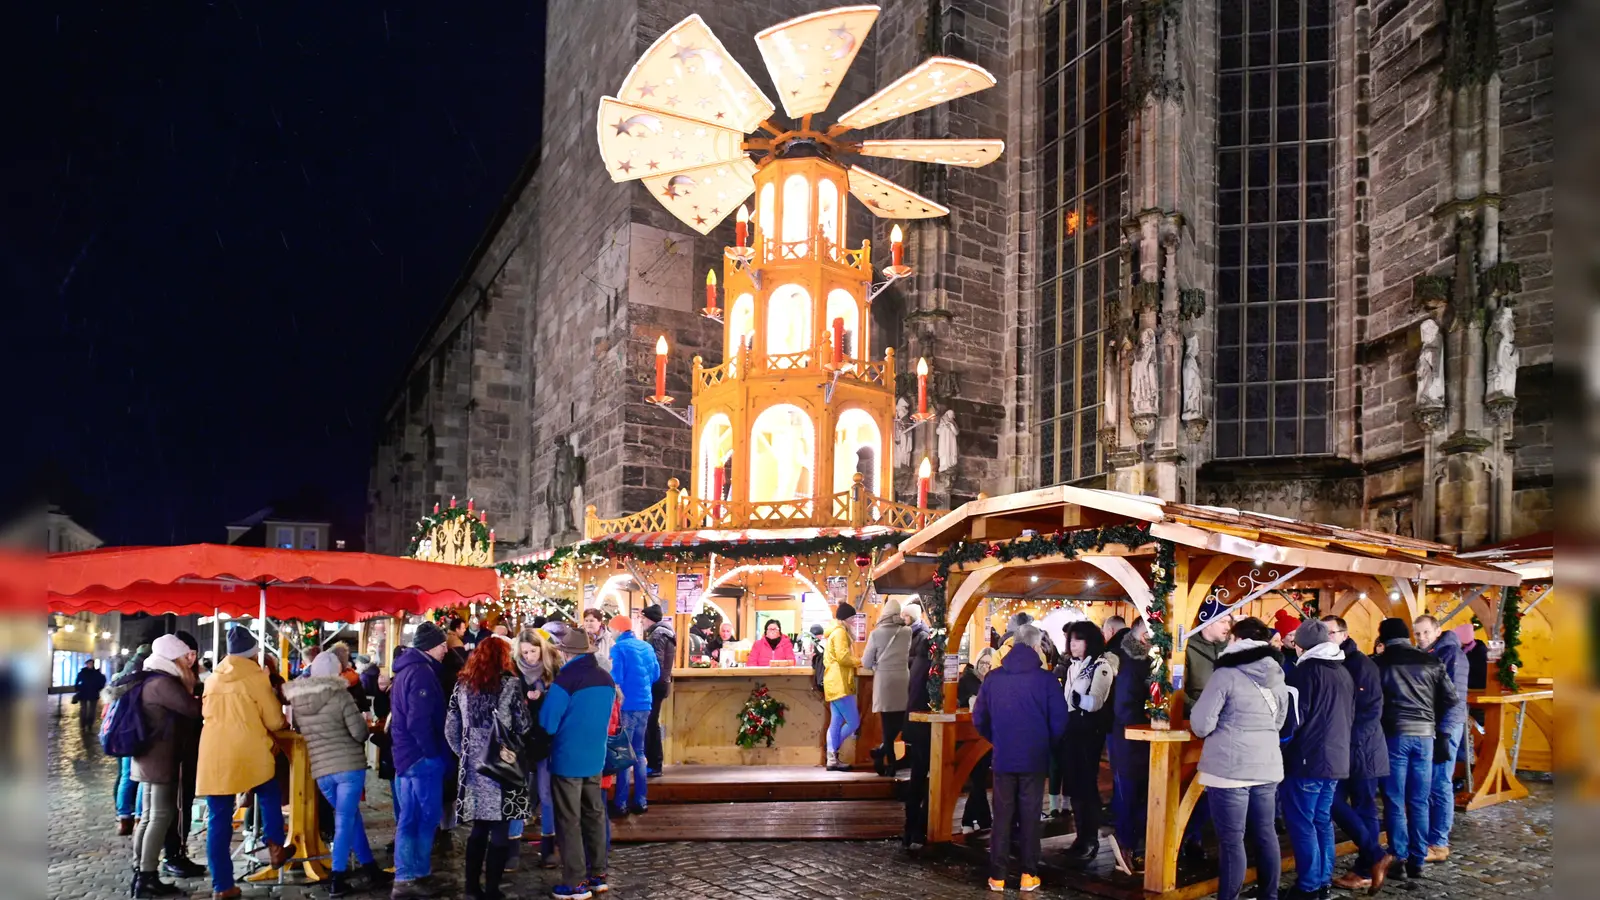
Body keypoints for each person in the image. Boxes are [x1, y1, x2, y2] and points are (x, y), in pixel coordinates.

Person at [1188, 617, 1292, 900]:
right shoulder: (1277, 674)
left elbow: (1201, 724)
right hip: (1267, 766)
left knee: (1232, 842)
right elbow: (1279, 721)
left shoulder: (1226, 674)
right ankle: (1269, 895)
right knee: (1265, 833)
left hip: (1229, 769)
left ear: (1236, 639)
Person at [197, 626, 294, 900]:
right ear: (253, 653)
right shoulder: (254, 677)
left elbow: (206, 712)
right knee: (269, 791)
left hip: (214, 754)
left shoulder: (213, 678)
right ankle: (275, 844)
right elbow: (275, 720)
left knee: (219, 820)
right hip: (248, 750)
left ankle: (223, 886)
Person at [282, 652, 389, 897]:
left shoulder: (299, 701)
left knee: (350, 819)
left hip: (321, 771)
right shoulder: (342, 696)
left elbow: (300, 730)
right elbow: (360, 734)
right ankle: (338, 877)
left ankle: (371, 869)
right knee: (344, 821)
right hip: (348, 768)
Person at [972, 624, 1067, 893]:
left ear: (1012, 645)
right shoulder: (1047, 680)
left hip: (1004, 757)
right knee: (1030, 816)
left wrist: (998, 738)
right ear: (1037, 647)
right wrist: (1044, 743)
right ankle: (1028, 875)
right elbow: (1059, 721)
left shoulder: (993, 678)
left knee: (1001, 817)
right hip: (1034, 759)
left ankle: (998, 877)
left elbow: (979, 718)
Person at [445, 635, 533, 900]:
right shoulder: (511, 685)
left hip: (473, 770)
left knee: (478, 829)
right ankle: (493, 889)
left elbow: (450, 728)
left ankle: (471, 889)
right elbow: (523, 726)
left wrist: (467, 754)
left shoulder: (462, 686)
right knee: (500, 829)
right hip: (501, 768)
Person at [1374, 616, 1458, 882]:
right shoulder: (1431, 660)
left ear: (1384, 638)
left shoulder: (1379, 663)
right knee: (1419, 800)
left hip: (1394, 736)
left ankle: (1398, 856)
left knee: (1395, 799)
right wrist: (1432, 720)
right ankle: (1418, 859)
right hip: (1425, 737)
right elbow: (1451, 699)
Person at [540, 626, 618, 900]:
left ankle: (575, 883)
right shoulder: (606, 678)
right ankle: (598, 875)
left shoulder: (566, 680)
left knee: (569, 820)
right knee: (595, 815)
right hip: (595, 758)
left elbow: (548, 722)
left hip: (567, 760)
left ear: (565, 652)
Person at [1282, 619, 1355, 900]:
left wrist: (1282, 746)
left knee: (1302, 822)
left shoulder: (1304, 673)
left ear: (1300, 646)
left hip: (1307, 759)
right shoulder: (1343, 671)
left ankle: (1309, 886)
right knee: (1322, 820)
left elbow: (1293, 720)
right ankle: (1323, 881)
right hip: (1336, 758)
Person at [126, 635, 202, 898]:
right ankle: (146, 877)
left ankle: (140, 873)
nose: (187, 663)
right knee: (159, 817)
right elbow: (193, 709)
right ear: (173, 658)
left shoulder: (150, 677)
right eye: (184, 659)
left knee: (149, 817)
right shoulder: (162, 682)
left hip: (148, 758)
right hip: (159, 760)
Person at [1321, 616, 1393, 893]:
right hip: (1346, 747)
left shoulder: (1360, 664)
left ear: (1344, 634)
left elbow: (1369, 711)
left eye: (1330, 632)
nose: (1326, 637)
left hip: (1360, 749)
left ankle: (1366, 867)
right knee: (1336, 803)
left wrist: (1345, 740)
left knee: (1360, 806)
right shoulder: (1337, 662)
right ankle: (1373, 858)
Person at [389, 622, 454, 900]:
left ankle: (408, 876)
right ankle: (413, 875)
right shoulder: (422, 673)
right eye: (442, 646)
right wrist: (432, 753)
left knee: (409, 818)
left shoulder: (407, 670)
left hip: (405, 757)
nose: (445, 651)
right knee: (424, 818)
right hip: (420, 759)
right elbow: (419, 721)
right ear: (431, 646)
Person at [1413, 614, 1469, 864]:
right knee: (1430, 782)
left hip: (1445, 725)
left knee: (1440, 782)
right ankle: (1429, 839)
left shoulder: (1451, 654)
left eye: (1426, 632)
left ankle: (1439, 842)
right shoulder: (1429, 653)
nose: (1421, 637)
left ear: (1437, 631)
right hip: (1430, 724)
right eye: (1417, 633)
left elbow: (1453, 698)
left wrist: (1445, 732)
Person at [1061, 620, 1118, 863]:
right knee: (1073, 785)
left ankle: (1090, 838)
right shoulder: (1071, 666)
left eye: (1079, 639)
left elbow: (1096, 701)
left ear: (1090, 641)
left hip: (1088, 732)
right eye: (1071, 639)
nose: (1073, 645)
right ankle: (1080, 836)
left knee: (1086, 785)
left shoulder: (1100, 666)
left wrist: (1077, 700)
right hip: (1070, 731)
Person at [1107, 617, 1152, 875]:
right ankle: (1126, 846)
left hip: (1139, 738)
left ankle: (1134, 846)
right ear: (1143, 635)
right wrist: (1147, 714)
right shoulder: (1127, 662)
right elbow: (1124, 707)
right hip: (1128, 737)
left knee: (1140, 793)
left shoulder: (1146, 661)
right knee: (1129, 792)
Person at [515, 628, 561, 868]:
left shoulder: (552, 669)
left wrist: (543, 698)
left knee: (545, 792)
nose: (529, 656)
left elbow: (561, 704)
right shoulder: (515, 672)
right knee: (518, 789)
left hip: (545, 739)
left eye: (533, 651)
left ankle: (548, 847)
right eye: (525, 652)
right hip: (521, 740)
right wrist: (524, 700)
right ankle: (512, 848)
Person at [607, 614, 658, 817]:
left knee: (623, 754)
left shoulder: (618, 649)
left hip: (626, 705)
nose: (610, 633)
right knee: (639, 752)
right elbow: (654, 674)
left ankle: (620, 803)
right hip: (645, 704)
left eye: (611, 630)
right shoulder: (646, 646)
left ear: (618, 630)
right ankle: (641, 800)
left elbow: (616, 677)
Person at [862, 598, 912, 776]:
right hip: (902, 679)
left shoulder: (876, 634)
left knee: (887, 723)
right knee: (898, 722)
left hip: (884, 680)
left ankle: (886, 759)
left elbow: (866, 662)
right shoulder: (907, 631)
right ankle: (887, 759)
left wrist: (877, 665)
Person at [902, 601, 933, 849]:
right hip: (926, 726)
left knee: (917, 776)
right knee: (927, 777)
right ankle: (921, 829)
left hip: (915, 722)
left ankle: (910, 830)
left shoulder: (917, 664)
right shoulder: (930, 668)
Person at [957, 648, 994, 835]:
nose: (985, 667)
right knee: (978, 779)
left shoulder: (990, 682)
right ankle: (976, 820)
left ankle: (977, 820)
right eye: (983, 662)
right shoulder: (968, 680)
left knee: (979, 779)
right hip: (968, 736)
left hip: (984, 737)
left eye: (989, 663)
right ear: (977, 661)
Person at [823, 602, 862, 771]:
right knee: (853, 722)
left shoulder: (837, 631)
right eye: (852, 617)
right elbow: (843, 657)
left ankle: (832, 758)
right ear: (846, 618)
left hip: (835, 681)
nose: (854, 620)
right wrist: (860, 661)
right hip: (840, 683)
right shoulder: (840, 633)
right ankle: (831, 751)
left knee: (836, 721)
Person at [639, 604, 676, 777]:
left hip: (655, 685)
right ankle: (654, 763)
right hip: (662, 683)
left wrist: (646, 679)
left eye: (642, 618)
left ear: (649, 619)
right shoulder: (665, 632)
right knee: (652, 723)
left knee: (650, 724)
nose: (641, 622)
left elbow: (656, 664)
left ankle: (654, 764)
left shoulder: (657, 635)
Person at [1184, 603, 1232, 703]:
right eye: (1223, 622)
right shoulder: (1187, 648)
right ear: (1208, 624)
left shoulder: (1231, 647)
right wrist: (1199, 711)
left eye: (1229, 622)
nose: (1227, 627)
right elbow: (1177, 689)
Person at [73, 659, 107, 747]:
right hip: (83, 694)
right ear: (86, 664)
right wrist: (78, 688)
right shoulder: (83, 672)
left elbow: (102, 681)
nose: (90, 665)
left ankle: (89, 726)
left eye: (91, 663)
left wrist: (99, 688)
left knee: (92, 711)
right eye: (89, 663)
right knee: (83, 711)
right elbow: (77, 681)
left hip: (93, 694)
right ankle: (83, 726)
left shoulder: (96, 673)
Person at [581, 609, 614, 674]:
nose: (588, 623)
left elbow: (613, 661)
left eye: (591, 621)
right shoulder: (578, 636)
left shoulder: (608, 639)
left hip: (602, 676)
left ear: (599, 622)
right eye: (586, 620)